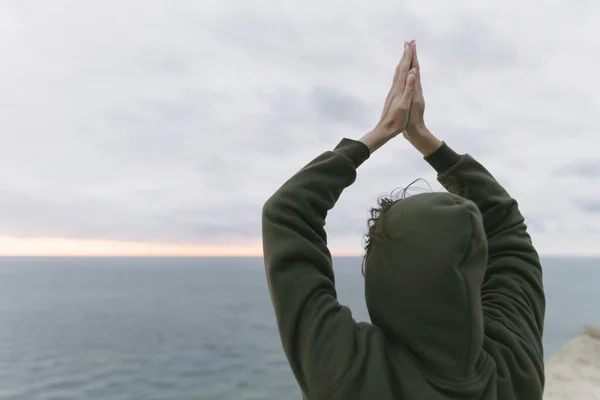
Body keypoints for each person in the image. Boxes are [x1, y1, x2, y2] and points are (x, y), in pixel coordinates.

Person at [261, 40, 545, 399]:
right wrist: (425, 139)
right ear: (476, 263)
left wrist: (381, 132)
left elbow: (284, 213)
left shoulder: (349, 371)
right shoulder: (514, 361)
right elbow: (507, 228)